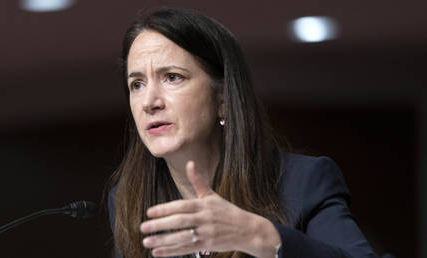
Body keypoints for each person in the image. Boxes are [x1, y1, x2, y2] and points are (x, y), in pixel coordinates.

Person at [107, 7, 377, 258]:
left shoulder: (302, 182)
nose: (149, 102)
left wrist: (262, 237)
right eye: (137, 84)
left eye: (172, 77)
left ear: (223, 97)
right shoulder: (128, 198)